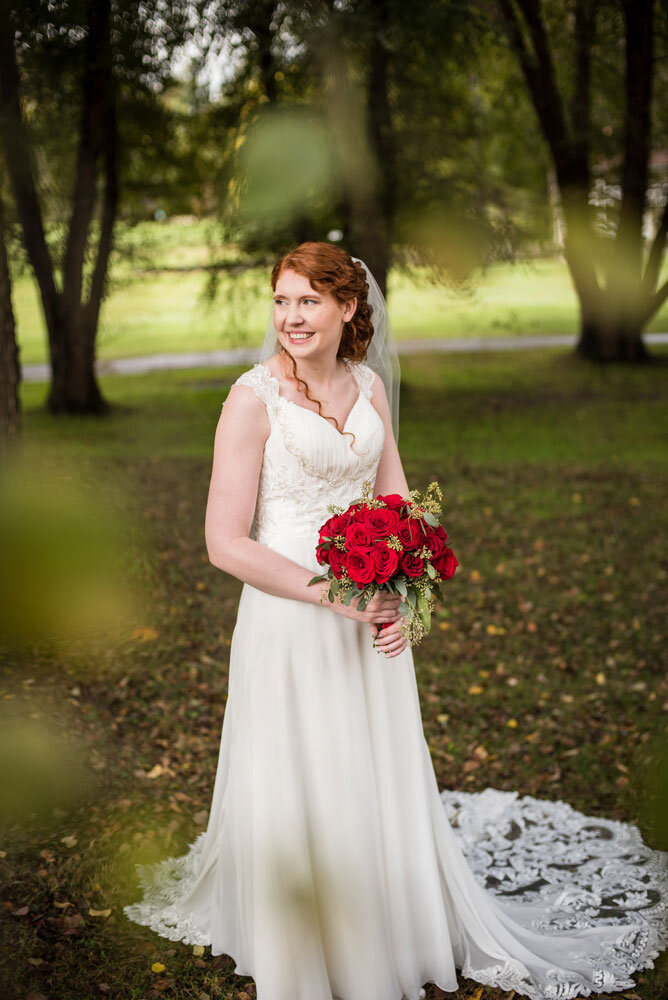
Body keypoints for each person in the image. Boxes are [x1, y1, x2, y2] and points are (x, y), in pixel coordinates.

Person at [125, 242, 667, 1000]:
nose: (291, 317)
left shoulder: (370, 389)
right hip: (292, 617)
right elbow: (224, 543)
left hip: (370, 610)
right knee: (306, 772)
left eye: (308, 301)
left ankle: (387, 917)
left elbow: (401, 510)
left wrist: (404, 605)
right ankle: (307, 938)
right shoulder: (252, 400)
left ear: (348, 308)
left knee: (368, 765)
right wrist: (331, 594)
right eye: (281, 302)